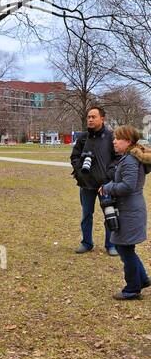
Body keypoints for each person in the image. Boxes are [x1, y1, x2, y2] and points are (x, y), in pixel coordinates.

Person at [108, 125, 149, 299]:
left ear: (128, 141)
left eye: (118, 138)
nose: (114, 141)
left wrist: (108, 187)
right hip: (129, 209)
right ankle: (142, 279)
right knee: (126, 248)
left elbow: (128, 186)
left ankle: (132, 289)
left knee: (124, 248)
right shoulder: (128, 157)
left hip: (130, 211)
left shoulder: (131, 160)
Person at [73, 106, 113, 254]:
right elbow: (74, 157)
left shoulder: (111, 137)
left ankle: (111, 245)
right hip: (86, 185)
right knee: (86, 215)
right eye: (88, 117)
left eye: (93, 117)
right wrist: (79, 172)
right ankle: (87, 243)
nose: (90, 119)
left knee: (110, 215)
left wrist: (110, 175)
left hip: (106, 185)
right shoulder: (83, 138)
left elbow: (117, 158)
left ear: (102, 119)